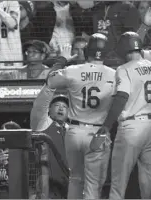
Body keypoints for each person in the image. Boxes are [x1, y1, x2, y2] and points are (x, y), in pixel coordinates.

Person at [94, 32, 151, 199]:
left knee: (119, 183)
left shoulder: (124, 69)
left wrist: (106, 126)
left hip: (132, 127)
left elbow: (121, 97)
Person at [46, 33, 115, 199]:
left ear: (87, 51)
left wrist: (62, 59)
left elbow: (49, 80)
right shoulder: (114, 74)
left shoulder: (72, 70)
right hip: (97, 132)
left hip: (74, 131)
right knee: (93, 184)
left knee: (75, 179)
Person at [31, 86, 70, 198]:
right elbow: (39, 107)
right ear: (49, 109)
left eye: (64, 107)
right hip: (48, 182)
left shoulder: (71, 130)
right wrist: (50, 85)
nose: (61, 109)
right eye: (57, 106)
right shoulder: (44, 124)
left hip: (69, 181)